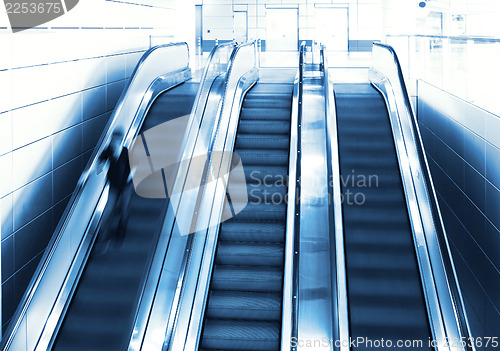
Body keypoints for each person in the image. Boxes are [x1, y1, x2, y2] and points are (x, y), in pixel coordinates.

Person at [98, 130, 133, 249]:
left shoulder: (126, 152)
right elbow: (100, 160)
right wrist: (100, 166)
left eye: (115, 141)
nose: (112, 143)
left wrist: (128, 180)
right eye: (112, 140)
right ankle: (103, 235)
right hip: (114, 186)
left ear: (120, 141)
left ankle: (121, 232)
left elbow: (132, 168)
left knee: (124, 209)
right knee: (108, 209)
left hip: (126, 186)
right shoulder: (108, 151)